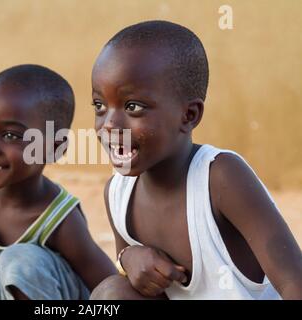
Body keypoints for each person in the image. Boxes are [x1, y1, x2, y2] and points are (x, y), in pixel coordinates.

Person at [89, 21, 302, 299]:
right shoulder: (118, 193)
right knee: (112, 294)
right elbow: (132, 280)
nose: (109, 124)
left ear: (189, 115)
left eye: (133, 107)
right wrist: (128, 257)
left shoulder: (221, 178)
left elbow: (294, 281)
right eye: (99, 106)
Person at [0, 64, 116, 300]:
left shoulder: (61, 221)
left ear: (56, 148)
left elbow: (109, 285)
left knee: (21, 261)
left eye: (11, 135)